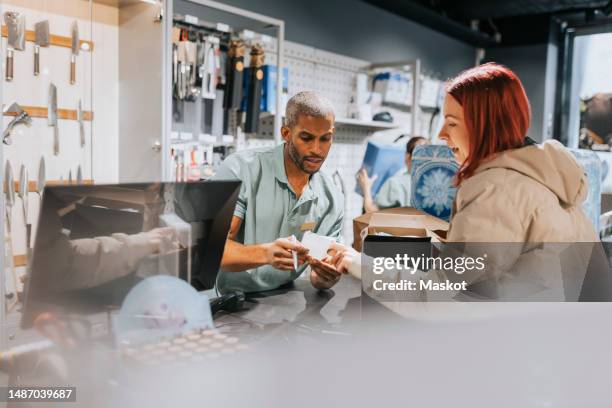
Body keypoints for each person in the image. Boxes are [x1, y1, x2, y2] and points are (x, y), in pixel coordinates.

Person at [330, 63, 600, 300]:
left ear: (484, 124)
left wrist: (358, 264)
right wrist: (393, 251)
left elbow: (436, 292)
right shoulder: (543, 177)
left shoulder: (497, 189)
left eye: (452, 123)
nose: (441, 134)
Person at [212, 91, 344, 294]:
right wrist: (265, 254)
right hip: (228, 299)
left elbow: (319, 276)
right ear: (286, 133)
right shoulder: (240, 169)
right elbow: (212, 249)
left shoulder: (331, 198)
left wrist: (324, 276)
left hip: (283, 300)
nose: (317, 150)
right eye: (306, 138)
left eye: (325, 139)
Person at [357, 136, 428, 213]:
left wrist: (366, 188)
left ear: (407, 156)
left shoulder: (395, 184)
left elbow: (372, 213)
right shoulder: (434, 185)